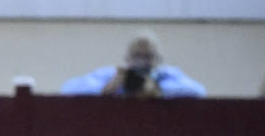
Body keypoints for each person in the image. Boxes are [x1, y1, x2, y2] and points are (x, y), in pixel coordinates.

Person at [59, 31, 206, 98]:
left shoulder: (166, 75)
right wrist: (105, 89)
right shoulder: (113, 75)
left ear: (158, 60)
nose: (142, 61)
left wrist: (159, 91)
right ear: (127, 59)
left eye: (148, 56)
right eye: (137, 56)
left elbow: (199, 91)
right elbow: (67, 88)